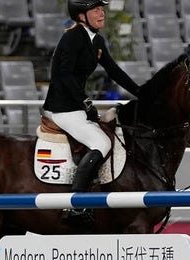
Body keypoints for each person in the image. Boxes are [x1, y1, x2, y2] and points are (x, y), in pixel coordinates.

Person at [42, 0, 140, 225]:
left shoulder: (96, 40)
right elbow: (63, 75)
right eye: (96, 9)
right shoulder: (72, 37)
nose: (101, 13)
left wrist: (141, 92)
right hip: (62, 108)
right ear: (81, 15)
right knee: (101, 143)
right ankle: (74, 204)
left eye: (102, 9)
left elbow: (114, 71)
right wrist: (84, 101)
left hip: (76, 107)